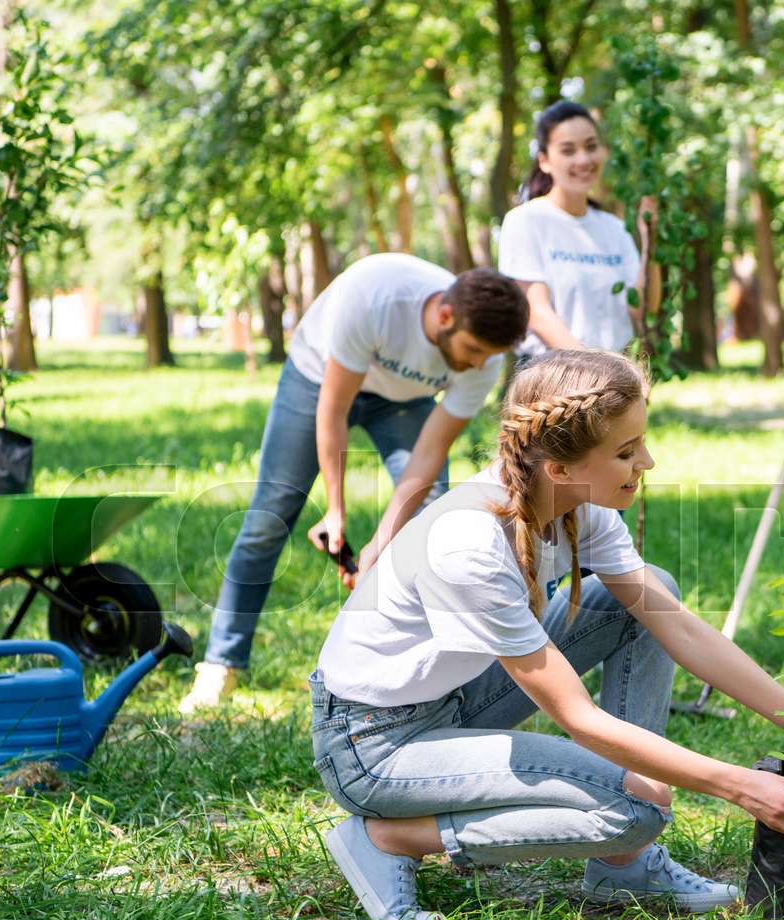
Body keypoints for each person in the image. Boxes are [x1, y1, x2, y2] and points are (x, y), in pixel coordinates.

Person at [310, 350, 784, 920]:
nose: (648, 461)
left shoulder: (577, 506)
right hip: (375, 745)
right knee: (640, 805)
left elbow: (679, 628)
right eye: (626, 451)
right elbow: (577, 717)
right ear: (559, 468)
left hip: (453, 701)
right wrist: (738, 786)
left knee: (648, 594)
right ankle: (391, 837)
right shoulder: (470, 543)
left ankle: (623, 867)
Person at [180, 255, 530, 714]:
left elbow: (426, 458)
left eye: (489, 356)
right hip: (317, 379)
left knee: (432, 516)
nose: (480, 364)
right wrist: (335, 511)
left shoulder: (483, 359)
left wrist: (380, 543)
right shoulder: (375, 296)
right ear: (445, 317)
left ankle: (422, 675)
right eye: (474, 350)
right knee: (271, 512)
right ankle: (220, 665)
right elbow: (333, 409)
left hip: (404, 401)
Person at [498, 101, 660, 357]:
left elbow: (643, 306)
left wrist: (649, 238)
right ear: (544, 161)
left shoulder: (615, 228)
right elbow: (537, 313)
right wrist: (595, 370)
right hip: (552, 375)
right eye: (568, 150)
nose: (583, 159)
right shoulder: (525, 221)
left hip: (613, 379)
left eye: (591, 146)